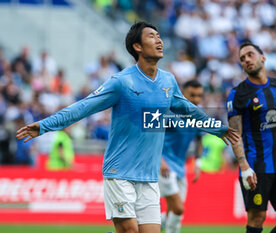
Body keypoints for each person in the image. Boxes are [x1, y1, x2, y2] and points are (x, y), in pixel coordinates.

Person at [16, 22, 239, 233]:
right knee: (130, 230)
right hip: (119, 172)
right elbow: (83, 107)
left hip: (149, 177)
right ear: (138, 47)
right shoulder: (121, 82)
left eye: (159, 36)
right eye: (152, 36)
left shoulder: (168, 81)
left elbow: (189, 110)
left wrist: (218, 129)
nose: (159, 40)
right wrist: (45, 125)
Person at [227, 42, 276, 233]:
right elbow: (235, 134)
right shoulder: (238, 94)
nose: (246, 60)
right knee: (257, 218)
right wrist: (244, 167)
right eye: (242, 59)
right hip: (255, 167)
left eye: (250, 55)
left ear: (263, 57)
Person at [159, 79, 203, 233]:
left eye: (199, 96)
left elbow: (199, 140)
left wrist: (198, 164)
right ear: (183, 94)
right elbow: (152, 138)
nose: (196, 99)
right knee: (178, 208)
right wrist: (160, 160)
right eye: (192, 95)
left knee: (173, 211)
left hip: (180, 168)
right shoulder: (169, 111)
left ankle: (142, 225)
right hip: (164, 166)